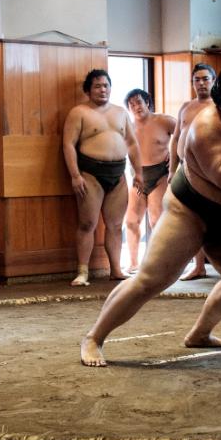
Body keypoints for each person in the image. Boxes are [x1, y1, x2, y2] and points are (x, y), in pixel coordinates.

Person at [81, 64, 221, 366]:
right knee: (150, 280)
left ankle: (200, 333)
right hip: (191, 209)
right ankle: (94, 337)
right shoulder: (207, 126)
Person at [62, 70, 144, 286]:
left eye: (106, 85)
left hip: (118, 173)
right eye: (97, 86)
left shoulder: (120, 112)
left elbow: (133, 143)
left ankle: (116, 269)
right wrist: (75, 175)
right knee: (87, 223)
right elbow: (68, 144)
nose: (103, 89)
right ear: (88, 90)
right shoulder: (79, 112)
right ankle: (83, 272)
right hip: (90, 173)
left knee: (116, 225)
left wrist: (139, 173)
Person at [168, 64, 217, 280]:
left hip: (211, 169)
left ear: (213, 80)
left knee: (214, 219)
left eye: (205, 79)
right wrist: (171, 169)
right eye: (197, 79)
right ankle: (198, 266)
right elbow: (176, 138)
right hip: (185, 168)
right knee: (192, 218)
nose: (201, 83)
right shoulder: (186, 107)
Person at [123, 88, 177, 273]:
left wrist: (174, 153)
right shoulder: (128, 127)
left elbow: (185, 135)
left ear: (147, 101)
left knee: (156, 220)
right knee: (131, 221)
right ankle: (133, 263)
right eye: (131, 104)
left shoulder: (164, 120)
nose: (136, 106)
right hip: (138, 176)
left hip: (160, 174)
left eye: (138, 101)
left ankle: (159, 262)